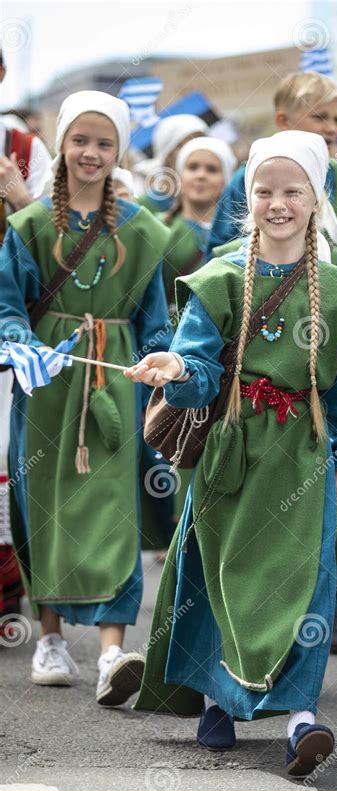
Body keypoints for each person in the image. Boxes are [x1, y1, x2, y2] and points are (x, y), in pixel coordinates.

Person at [129, 131, 337, 778]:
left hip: (304, 456)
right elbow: (202, 368)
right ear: (248, 196)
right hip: (232, 445)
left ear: (316, 201)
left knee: (305, 579)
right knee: (220, 568)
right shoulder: (221, 275)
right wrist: (177, 365)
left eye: (293, 191)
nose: (278, 202)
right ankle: (216, 700)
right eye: (265, 190)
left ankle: (299, 719)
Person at [0, 91, 173, 703]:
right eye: (80, 140)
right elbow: (7, 305)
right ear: (62, 143)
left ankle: (109, 651)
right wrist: (20, 343)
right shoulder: (29, 227)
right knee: (42, 499)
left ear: (119, 151)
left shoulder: (145, 230)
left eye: (104, 143)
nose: (91, 153)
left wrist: (165, 365)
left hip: (116, 382)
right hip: (47, 382)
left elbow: (156, 316)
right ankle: (48, 638)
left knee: (112, 507)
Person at [206, 71, 337, 278]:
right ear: (283, 120)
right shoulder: (250, 175)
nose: (332, 128)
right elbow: (219, 249)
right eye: (319, 117)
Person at [0, 46, 52, 637]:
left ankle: (9, 593)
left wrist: (19, 194)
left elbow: (53, 243)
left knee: (8, 463)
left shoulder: (23, 147)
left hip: (8, 322)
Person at [160, 137, 237, 306]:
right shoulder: (159, 228)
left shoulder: (239, 235)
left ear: (225, 180)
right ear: (180, 175)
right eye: (192, 167)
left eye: (212, 169)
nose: (201, 175)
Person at [134, 114, 208, 213]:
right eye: (185, 145)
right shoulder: (144, 206)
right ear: (168, 154)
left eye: (201, 142)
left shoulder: (218, 198)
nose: (195, 150)